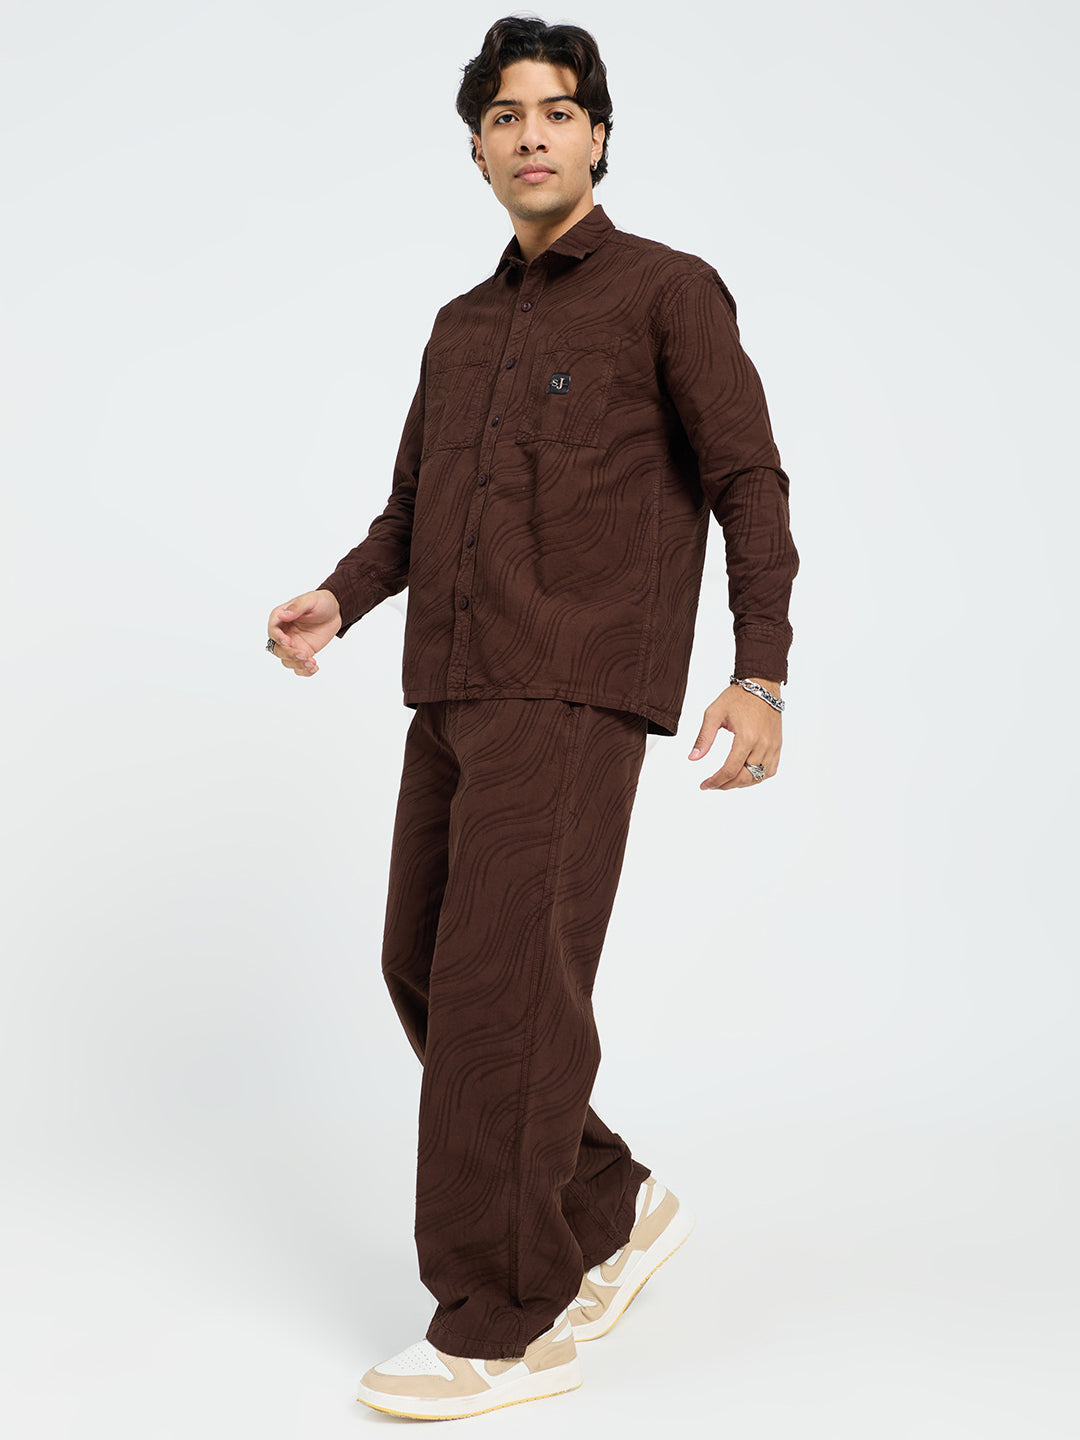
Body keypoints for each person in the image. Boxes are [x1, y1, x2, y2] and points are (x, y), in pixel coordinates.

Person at [266, 14, 798, 1422]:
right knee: (425, 969)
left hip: (570, 693)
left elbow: (748, 480)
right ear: (478, 150)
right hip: (452, 685)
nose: (531, 136)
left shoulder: (669, 292)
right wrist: (339, 598)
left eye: (557, 111)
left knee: (502, 996)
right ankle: (608, 1206)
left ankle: (504, 1325)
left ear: (599, 135)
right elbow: (413, 513)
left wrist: (760, 670)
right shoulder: (459, 328)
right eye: (504, 117)